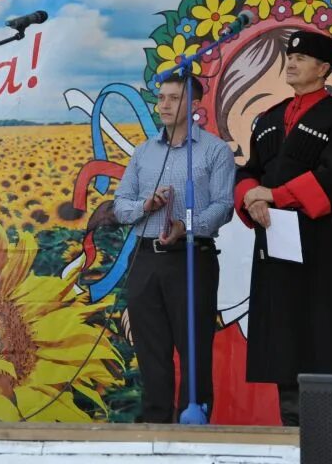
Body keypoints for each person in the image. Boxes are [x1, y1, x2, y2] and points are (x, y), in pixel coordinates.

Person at [234, 29, 332, 426]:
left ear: (324, 69)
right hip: (274, 238)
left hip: (320, 241)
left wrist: (273, 195)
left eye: (302, 58)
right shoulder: (269, 118)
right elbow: (249, 171)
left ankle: (326, 432)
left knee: (320, 332)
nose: (291, 63)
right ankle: (291, 429)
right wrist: (250, 196)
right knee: (283, 332)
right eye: (290, 57)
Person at [113, 73, 236, 423]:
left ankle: (193, 422)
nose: (163, 105)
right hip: (145, 257)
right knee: (150, 347)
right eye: (161, 97)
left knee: (194, 347)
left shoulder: (214, 150)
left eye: (173, 98)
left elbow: (223, 206)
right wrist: (145, 206)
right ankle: (155, 423)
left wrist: (187, 227)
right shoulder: (143, 151)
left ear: (193, 104)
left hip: (192, 258)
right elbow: (121, 204)